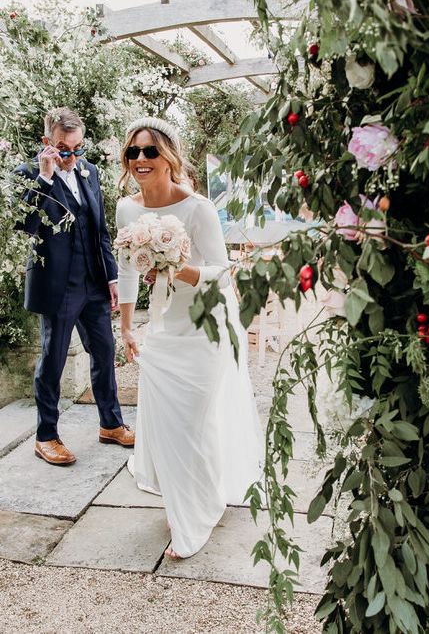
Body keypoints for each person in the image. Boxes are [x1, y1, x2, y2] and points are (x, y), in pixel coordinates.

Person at [116, 117, 264, 559]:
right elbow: (125, 269)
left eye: (149, 151)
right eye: (133, 152)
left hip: (205, 326)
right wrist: (126, 326)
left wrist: (175, 267)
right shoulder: (127, 209)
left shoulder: (197, 208)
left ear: (169, 157)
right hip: (161, 330)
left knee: (194, 423)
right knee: (166, 424)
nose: (140, 160)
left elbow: (223, 270)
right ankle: (188, 499)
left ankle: (197, 514)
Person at [14, 107, 134, 466]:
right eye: (64, 150)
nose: (72, 157)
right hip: (58, 286)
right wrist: (47, 178)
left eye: (78, 149)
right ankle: (46, 436)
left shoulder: (89, 172)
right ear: (46, 143)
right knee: (52, 360)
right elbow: (28, 227)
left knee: (104, 352)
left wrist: (112, 277)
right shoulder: (27, 175)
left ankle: (110, 424)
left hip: (94, 281)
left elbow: (100, 230)